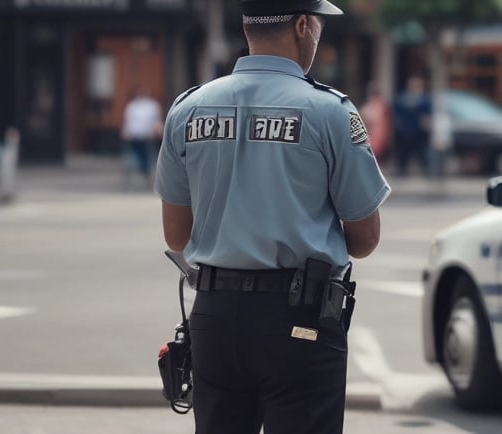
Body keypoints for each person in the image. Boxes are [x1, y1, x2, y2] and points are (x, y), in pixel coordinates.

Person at [153, 0, 390, 432]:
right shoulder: (330, 111)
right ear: (303, 26)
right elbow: (365, 238)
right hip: (299, 319)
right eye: (318, 23)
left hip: (215, 316)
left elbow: (176, 235)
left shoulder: (188, 108)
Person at [121, 85, 162, 190]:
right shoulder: (132, 106)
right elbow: (127, 120)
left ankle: (147, 177)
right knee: (131, 157)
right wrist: (126, 132)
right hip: (134, 135)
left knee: (147, 157)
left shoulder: (153, 106)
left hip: (146, 135)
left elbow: (156, 120)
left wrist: (157, 130)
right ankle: (127, 178)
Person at [392, 75, 431, 177]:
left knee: (421, 155)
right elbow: (396, 115)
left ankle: (426, 174)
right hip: (409, 132)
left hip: (415, 132)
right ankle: (402, 173)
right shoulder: (404, 99)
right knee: (406, 155)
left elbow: (427, 117)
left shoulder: (422, 100)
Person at [359, 82, 390, 164]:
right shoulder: (381, 105)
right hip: (378, 135)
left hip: (375, 135)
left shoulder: (375, 106)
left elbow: (368, 119)